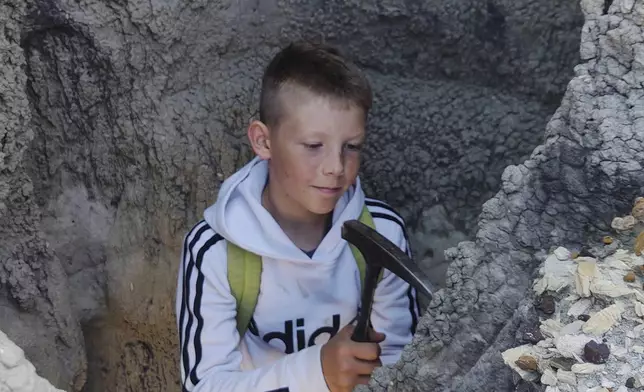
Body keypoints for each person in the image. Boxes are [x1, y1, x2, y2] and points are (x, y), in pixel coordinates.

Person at [176, 40, 421, 392]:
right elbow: (204, 385)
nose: (335, 167)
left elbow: (403, 363)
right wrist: (317, 371)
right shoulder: (214, 250)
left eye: (351, 147)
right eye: (313, 146)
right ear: (263, 141)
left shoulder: (381, 233)